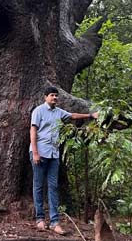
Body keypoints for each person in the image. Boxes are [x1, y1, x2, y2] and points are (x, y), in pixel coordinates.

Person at [30, 85, 99, 235]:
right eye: (52, 95)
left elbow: (72, 115)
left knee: (53, 187)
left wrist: (90, 116)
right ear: (45, 97)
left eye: (56, 95)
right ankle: (40, 219)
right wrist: (35, 152)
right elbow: (33, 131)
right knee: (38, 186)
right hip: (40, 153)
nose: (54, 98)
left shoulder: (58, 112)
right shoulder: (38, 111)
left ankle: (55, 222)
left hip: (54, 154)